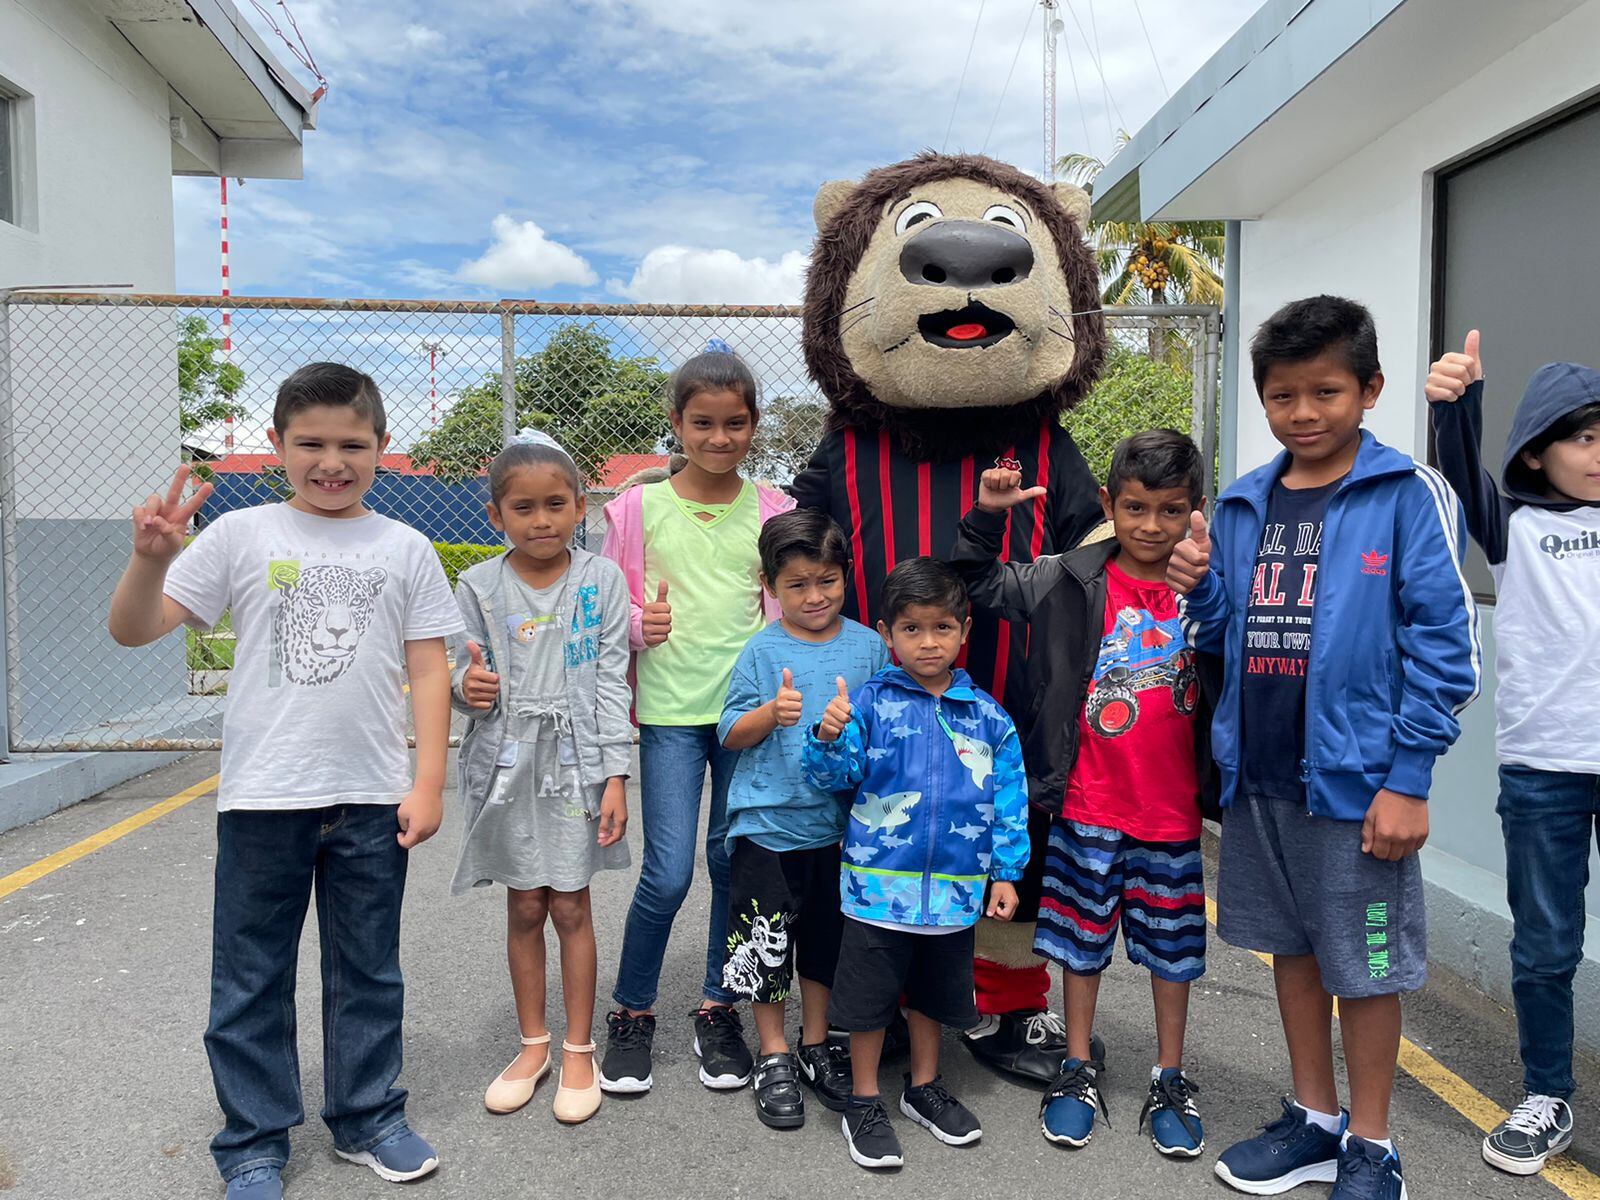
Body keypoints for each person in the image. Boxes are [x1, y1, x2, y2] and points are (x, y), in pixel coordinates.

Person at [108, 363, 463, 1200]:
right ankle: (254, 1143)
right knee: (250, 976)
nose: (331, 461)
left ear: (383, 447)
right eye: (310, 443)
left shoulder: (404, 548)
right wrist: (148, 562)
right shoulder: (240, 536)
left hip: (374, 796)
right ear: (276, 446)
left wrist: (430, 782)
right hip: (264, 797)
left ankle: (369, 1117)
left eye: (352, 443)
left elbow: (429, 672)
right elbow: (133, 631)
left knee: (369, 970)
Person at [1168, 296, 1479, 1200]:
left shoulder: (1407, 495)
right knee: (1294, 954)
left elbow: (1446, 646)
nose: (1304, 412)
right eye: (1283, 395)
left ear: (1370, 389)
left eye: (1326, 391)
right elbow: (1222, 638)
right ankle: (1315, 1120)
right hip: (1259, 777)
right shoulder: (1239, 503)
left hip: (1359, 786)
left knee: (1367, 967)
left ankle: (1374, 1146)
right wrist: (1197, 589)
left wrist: (1409, 779)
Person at [952, 429, 1213, 1158]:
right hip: (1087, 805)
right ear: (1108, 504)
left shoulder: (1209, 585)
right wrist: (987, 519)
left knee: (1172, 955)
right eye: (1134, 507)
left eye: (1169, 510)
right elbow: (980, 585)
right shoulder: (1070, 576)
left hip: (1172, 814)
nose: (1151, 526)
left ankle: (1170, 1075)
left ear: (1196, 508)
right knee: (1080, 944)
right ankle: (1075, 1065)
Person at [599, 341, 796, 1096]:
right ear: (676, 424)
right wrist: (632, 632)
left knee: (731, 867)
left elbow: (793, 604)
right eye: (704, 423)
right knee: (668, 869)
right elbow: (603, 610)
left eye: (736, 424)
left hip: (747, 720)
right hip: (672, 718)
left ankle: (720, 1005)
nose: (720, 439)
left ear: (754, 425)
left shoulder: (775, 511)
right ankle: (633, 1011)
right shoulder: (633, 508)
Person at [1426, 334, 1600, 1176]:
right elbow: (1459, 480)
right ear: (1539, 450)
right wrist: (1455, 404)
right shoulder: (1516, 525)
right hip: (1544, 769)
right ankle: (1546, 1094)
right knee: (1544, 945)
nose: (1597, 454)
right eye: (1582, 436)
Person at [802, 557, 1031, 1170]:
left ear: (964, 629)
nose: (927, 642)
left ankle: (924, 1088)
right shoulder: (870, 704)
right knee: (870, 1004)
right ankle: (865, 1099)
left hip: (956, 896)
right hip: (879, 891)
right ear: (886, 632)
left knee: (932, 999)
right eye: (910, 629)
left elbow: (1009, 797)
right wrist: (826, 735)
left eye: (940, 628)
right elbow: (834, 778)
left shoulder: (989, 717)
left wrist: (1007, 872)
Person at [450, 431, 632, 1126]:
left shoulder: (602, 580)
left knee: (571, 905)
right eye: (522, 508)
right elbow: (461, 683)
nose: (542, 520)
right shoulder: (476, 586)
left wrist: (615, 773)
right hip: (504, 763)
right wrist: (473, 687)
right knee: (524, 903)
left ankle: (579, 1047)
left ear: (581, 506)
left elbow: (613, 677)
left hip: (580, 763)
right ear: (495, 516)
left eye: (556, 504)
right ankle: (534, 1047)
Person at [717, 509, 888, 1129]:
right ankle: (773, 1052)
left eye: (827, 580)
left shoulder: (870, 646)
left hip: (840, 830)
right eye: (796, 585)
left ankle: (816, 1043)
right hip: (768, 826)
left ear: (846, 574)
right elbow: (730, 733)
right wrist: (773, 713)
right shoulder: (761, 650)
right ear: (769, 585)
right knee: (765, 945)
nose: (814, 597)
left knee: (824, 942)